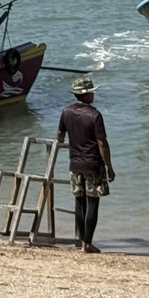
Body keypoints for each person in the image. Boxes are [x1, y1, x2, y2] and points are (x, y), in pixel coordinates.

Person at [56, 75, 115, 254]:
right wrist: (109, 167)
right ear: (87, 95)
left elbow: (59, 135)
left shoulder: (66, 112)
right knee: (93, 203)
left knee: (79, 203)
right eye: (91, 92)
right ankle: (87, 244)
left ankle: (81, 241)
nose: (93, 96)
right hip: (93, 165)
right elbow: (102, 143)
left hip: (75, 164)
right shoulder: (94, 115)